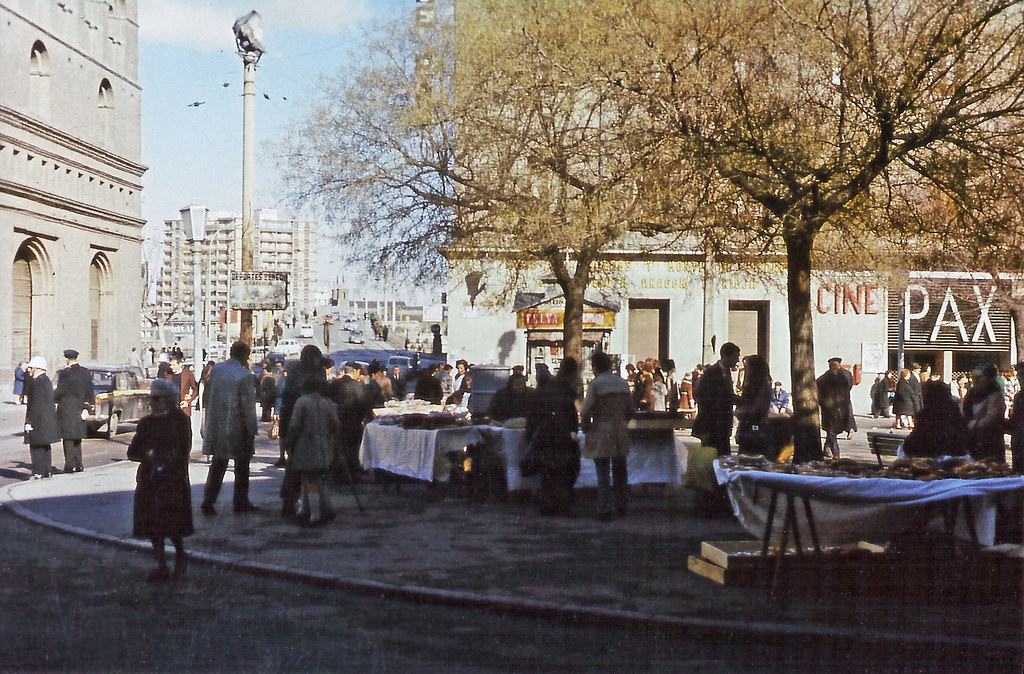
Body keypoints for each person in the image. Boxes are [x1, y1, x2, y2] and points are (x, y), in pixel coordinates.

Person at [127, 379, 193, 581]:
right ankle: (161, 565)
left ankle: (180, 555)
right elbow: (133, 452)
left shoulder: (180, 421)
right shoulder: (147, 422)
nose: (152, 403)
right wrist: (147, 455)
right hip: (150, 479)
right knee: (153, 526)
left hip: (172, 479)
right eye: (151, 399)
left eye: (156, 399)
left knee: (173, 525)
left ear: (168, 400)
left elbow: (184, 449)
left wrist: (169, 459)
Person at [199, 341, 260, 515]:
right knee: (242, 465)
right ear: (244, 355)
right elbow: (248, 406)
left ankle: (208, 500)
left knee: (218, 464)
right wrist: (252, 428)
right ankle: (240, 501)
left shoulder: (217, 370)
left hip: (217, 424)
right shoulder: (244, 375)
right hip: (238, 427)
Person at [580, 351, 633, 521]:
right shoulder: (622, 383)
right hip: (620, 429)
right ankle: (622, 505)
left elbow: (586, 409)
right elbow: (631, 410)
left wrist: (587, 424)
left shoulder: (596, 385)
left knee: (602, 471)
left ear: (595, 367)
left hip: (601, 429)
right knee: (620, 470)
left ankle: (604, 507)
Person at [525, 357, 581, 516]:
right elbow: (571, 416)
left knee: (549, 471)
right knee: (564, 471)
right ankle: (562, 504)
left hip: (545, 434)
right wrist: (572, 432)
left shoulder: (547, 388)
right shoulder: (567, 390)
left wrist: (531, 434)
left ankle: (548, 504)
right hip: (561, 435)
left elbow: (534, 413)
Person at [278, 345, 328, 517]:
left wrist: (283, 430)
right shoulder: (318, 373)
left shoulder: (293, 371)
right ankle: (311, 507)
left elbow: (285, 399)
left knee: (294, 466)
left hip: (291, 421)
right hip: (313, 424)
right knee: (312, 470)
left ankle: (290, 502)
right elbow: (325, 395)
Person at [283, 378, 339, 526]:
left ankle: (315, 514)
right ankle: (310, 509)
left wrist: (289, 442)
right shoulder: (325, 402)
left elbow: (295, 425)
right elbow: (335, 423)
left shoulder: (302, 402)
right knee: (316, 477)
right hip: (322, 444)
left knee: (308, 477)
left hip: (305, 444)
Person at [692, 342, 741, 455]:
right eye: (735, 357)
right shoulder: (711, 372)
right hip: (712, 425)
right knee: (712, 457)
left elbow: (728, 394)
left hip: (723, 425)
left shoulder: (726, 371)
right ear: (726, 356)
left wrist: (741, 400)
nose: (737, 360)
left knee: (723, 455)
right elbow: (702, 395)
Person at [326, 362, 371, 482]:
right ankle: (352, 474)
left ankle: (337, 474)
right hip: (354, 423)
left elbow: (329, 402)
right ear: (355, 372)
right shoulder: (359, 386)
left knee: (338, 449)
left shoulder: (335, 384)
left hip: (338, 422)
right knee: (353, 449)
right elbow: (364, 405)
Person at [902, 380, 966, 459]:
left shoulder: (926, 417)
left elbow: (910, 446)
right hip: (954, 461)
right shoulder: (955, 414)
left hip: (928, 461)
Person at [53, 349, 94, 473]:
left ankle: (70, 465)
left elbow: (60, 391)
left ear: (67, 359)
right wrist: (86, 408)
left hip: (67, 409)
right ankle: (79, 464)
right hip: (80, 408)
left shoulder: (65, 373)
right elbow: (90, 392)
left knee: (68, 438)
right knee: (77, 437)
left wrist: (53, 397)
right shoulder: (85, 372)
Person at [23, 356, 60, 479]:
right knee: (45, 446)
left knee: (36, 446)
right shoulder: (46, 381)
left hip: (38, 421)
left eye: (31, 368)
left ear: (37, 368)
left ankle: (38, 472)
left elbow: (36, 405)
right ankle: (46, 471)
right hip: (46, 421)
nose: (29, 370)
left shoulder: (37, 383)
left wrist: (30, 422)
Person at [962, 363, 1006, 462]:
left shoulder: (995, 394)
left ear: (989, 378)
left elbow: (991, 417)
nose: (975, 380)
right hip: (972, 438)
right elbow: (963, 408)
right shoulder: (972, 392)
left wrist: (972, 424)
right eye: (973, 377)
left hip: (988, 439)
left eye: (979, 377)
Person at [735, 355, 773, 457]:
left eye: (748, 367)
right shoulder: (752, 385)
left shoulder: (762, 386)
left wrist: (740, 412)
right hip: (748, 427)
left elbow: (756, 409)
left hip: (755, 429)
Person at [817, 357, 852, 460]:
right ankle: (835, 454)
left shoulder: (841, 376)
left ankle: (829, 450)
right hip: (832, 410)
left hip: (837, 410)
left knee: (832, 432)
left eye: (835, 365)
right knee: (832, 432)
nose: (833, 368)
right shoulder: (829, 377)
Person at [1005, 362, 1024, 473]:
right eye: (1019, 375)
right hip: (1018, 440)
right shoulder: (1018, 396)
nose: (1020, 379)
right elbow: (1014, 420)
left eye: (1023, 375)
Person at [168, 353, 199, 418]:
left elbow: (196, 388)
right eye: (170, 365)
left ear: (180, 364)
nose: (171, 367)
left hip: (183, 409)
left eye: (173, 365)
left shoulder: (188, 374)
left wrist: (189, 400)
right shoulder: (168, 375)